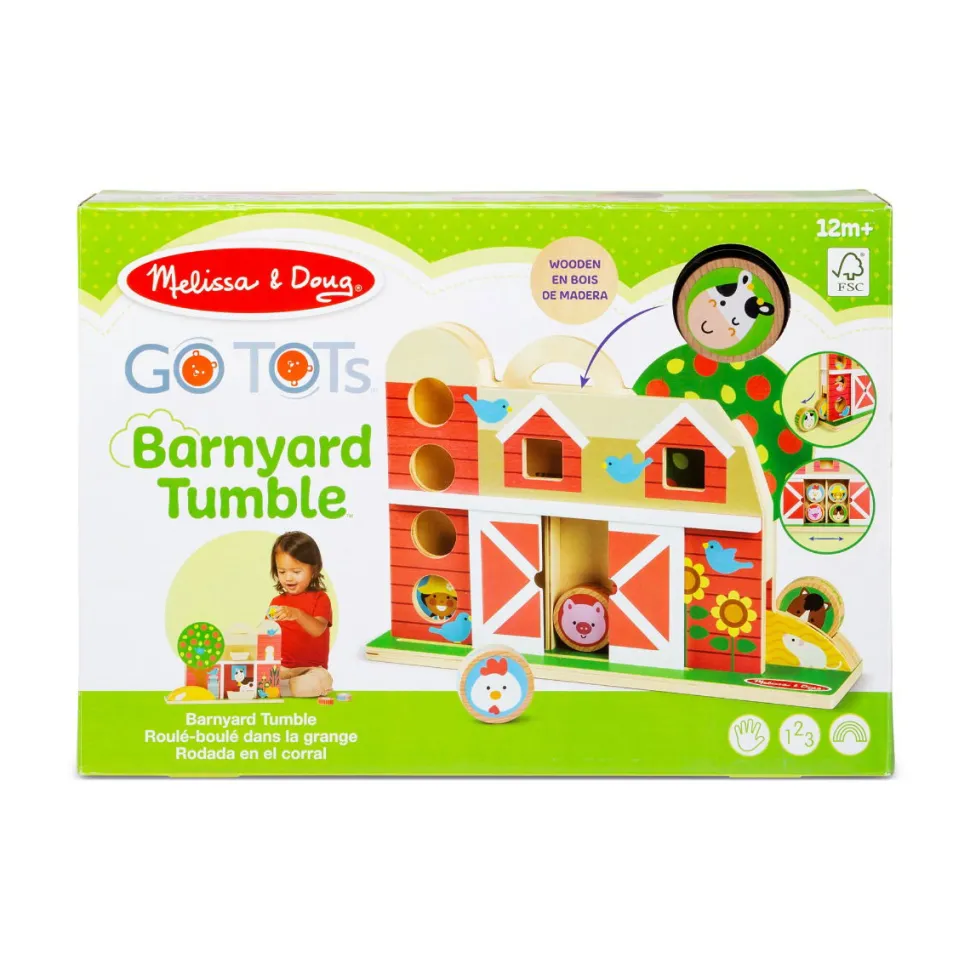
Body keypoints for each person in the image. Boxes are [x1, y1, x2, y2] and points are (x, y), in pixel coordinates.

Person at [268, 532, 333, 697]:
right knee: (255, 673)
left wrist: (297, 614)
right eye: (282, 571)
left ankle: (281, 688)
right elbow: (267, 633)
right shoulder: (276, 602)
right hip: (282, 668)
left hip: (311, 670)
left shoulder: (320, 599)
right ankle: (280, 686)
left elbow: (318, 629)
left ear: (314, 570)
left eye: (296, 571)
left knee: (315, 681)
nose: (288, 578)